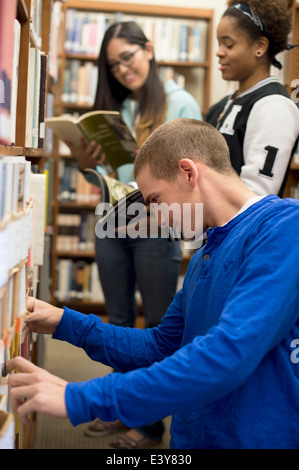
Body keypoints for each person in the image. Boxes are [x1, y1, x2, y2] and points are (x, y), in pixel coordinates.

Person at [7, 118, 299, 449]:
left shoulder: (285, 227)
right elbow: (161, 347)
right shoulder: (208, 251)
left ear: (189, 173)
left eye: (155, 201)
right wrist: (67, 323)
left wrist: (84, 398)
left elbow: (229, 354)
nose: (155, 219)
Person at [65, 21, 202, 448]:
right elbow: (110, 177)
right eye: (113, 64)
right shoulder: (120, 110)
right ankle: (119, 405)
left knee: (158, 325)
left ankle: (148, 425)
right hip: (112, 220)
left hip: (155, 226)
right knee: (119, 320)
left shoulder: (180, 103)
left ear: (149, 49)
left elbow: (191, 172)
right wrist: (85, 161)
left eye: (128, 57)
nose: (122, 70)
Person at [206, 0, 299, 197]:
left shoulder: (274, 106)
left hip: (242, 227)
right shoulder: (222, 105)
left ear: (260, 46)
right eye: (219, 43)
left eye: (228, 44)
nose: (219, 52)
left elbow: (256, 195)